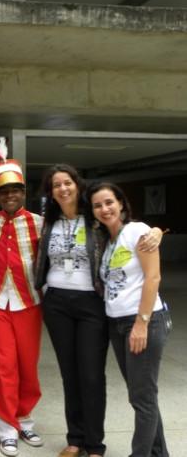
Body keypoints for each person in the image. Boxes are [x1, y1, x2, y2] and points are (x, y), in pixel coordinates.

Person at [34, 165, 163, 457]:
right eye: (56, 185)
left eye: (67, 183)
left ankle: (94, 445)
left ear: (77, 186)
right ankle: (75, 438)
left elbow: (128, 229)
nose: (63, 189)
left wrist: (157, 231)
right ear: (50, 193)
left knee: (91, 375)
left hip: (92, 303)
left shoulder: (95, 219)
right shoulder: (47, 222)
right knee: (70, 374)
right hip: (56, 303)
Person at [89, 182, 171, 457]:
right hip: (117, 324)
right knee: (142, 397)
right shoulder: (108, 240)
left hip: (142, 322)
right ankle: (159, 454)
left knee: (142, 398)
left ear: (121, 203)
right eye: (98, 205)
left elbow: (153, 277)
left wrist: (141, 323)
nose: (104, 209)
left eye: (109, 202)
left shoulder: (137, 231)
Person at [0, 148, 43, 457]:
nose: (10, 196)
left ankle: (25, 419)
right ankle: (7, 427)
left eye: (15, 190)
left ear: (23, 192)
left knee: (27, 367)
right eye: (3, 191)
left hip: (29, 303)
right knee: (4, 367)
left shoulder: (39, 223)